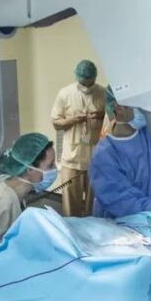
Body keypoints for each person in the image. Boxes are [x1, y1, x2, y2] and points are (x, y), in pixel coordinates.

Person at [90, 87, 151, 218]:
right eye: (139, 104)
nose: (145, 109)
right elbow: (122, 201)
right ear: (119, 108)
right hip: (118, 225)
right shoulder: (104, 154)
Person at [51, 60, 106, 218]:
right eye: (83, 84)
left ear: (95, 77)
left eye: (90, 84)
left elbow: (113, 119)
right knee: (70, 205)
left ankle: (93, 231)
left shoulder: (103, 93)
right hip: (71, 158)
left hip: (96, 159)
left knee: (94, 205)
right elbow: (56, 123)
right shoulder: (65, 94)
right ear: (77, 77)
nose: (87, 87)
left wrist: (101, 115)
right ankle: (71, 230)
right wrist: (73, 120)